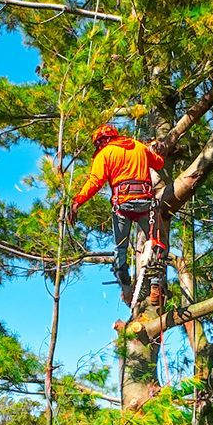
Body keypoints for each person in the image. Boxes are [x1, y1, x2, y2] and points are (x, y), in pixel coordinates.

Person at [71, 124, 164, 303]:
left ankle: (126, 287)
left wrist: (78, 201)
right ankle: (155, 286)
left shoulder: (105, 153)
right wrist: (149, 150)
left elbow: (95, 181)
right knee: (155, 244)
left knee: (120, 248)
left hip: (122, 206)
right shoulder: (139, 147)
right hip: (145, 203)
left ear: (103, 141)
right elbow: (159, 163)